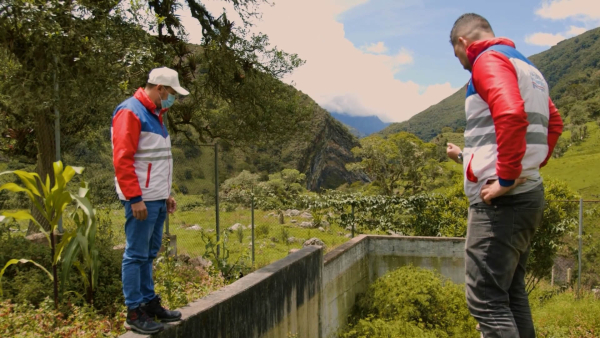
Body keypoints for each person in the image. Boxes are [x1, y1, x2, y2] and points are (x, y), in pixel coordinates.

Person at [446, 13, 563, 338]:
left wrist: (508, 178)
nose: (462, 64)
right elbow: (555, 123)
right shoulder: (529, 69)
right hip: (528, 197)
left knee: (486, 300)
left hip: (502, 204)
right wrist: (529, 167)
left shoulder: (487, 60)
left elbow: (510, 112)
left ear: (462, 43)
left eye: (458, 56)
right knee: (511, 295)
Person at [112, 67, 189, 334]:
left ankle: (148, 302)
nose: (172, 99)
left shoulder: (157, 114)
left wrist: (166, 193)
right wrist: (135, 198)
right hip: (141, 200)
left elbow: (155, 160)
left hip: (155, 198)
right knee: (135, 254)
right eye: (171, 93)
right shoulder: (130, 111)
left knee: (149, 253)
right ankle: (133, 311)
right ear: (160, 88)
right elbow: (123, 159)